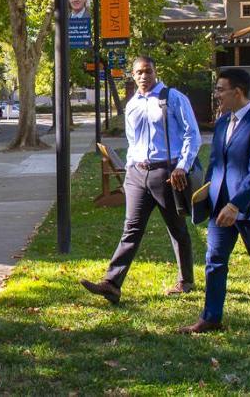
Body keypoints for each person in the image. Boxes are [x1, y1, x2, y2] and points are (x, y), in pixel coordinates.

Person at [179, 68, 250, 333]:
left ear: (238, 92)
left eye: (220, 90)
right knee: (215, 260)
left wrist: (236, 205)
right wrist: (206, 197)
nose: (216, 95)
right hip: (220, 207)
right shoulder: (222, 123)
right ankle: (211, 318)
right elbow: (215, 163)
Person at [80, 56, 201, 304]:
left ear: (156, 72)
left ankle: (185, 280)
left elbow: (192, 135)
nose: (144, 76)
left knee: (176, 228)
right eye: (138, 73)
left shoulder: (173, 98)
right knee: (131, 228)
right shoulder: (132, 104)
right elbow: (132, 141)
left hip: (167, 174)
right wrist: (129, 171)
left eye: (148, 71)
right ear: (132, 75)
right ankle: (112, 283)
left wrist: (182, 166)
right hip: (137, 174)